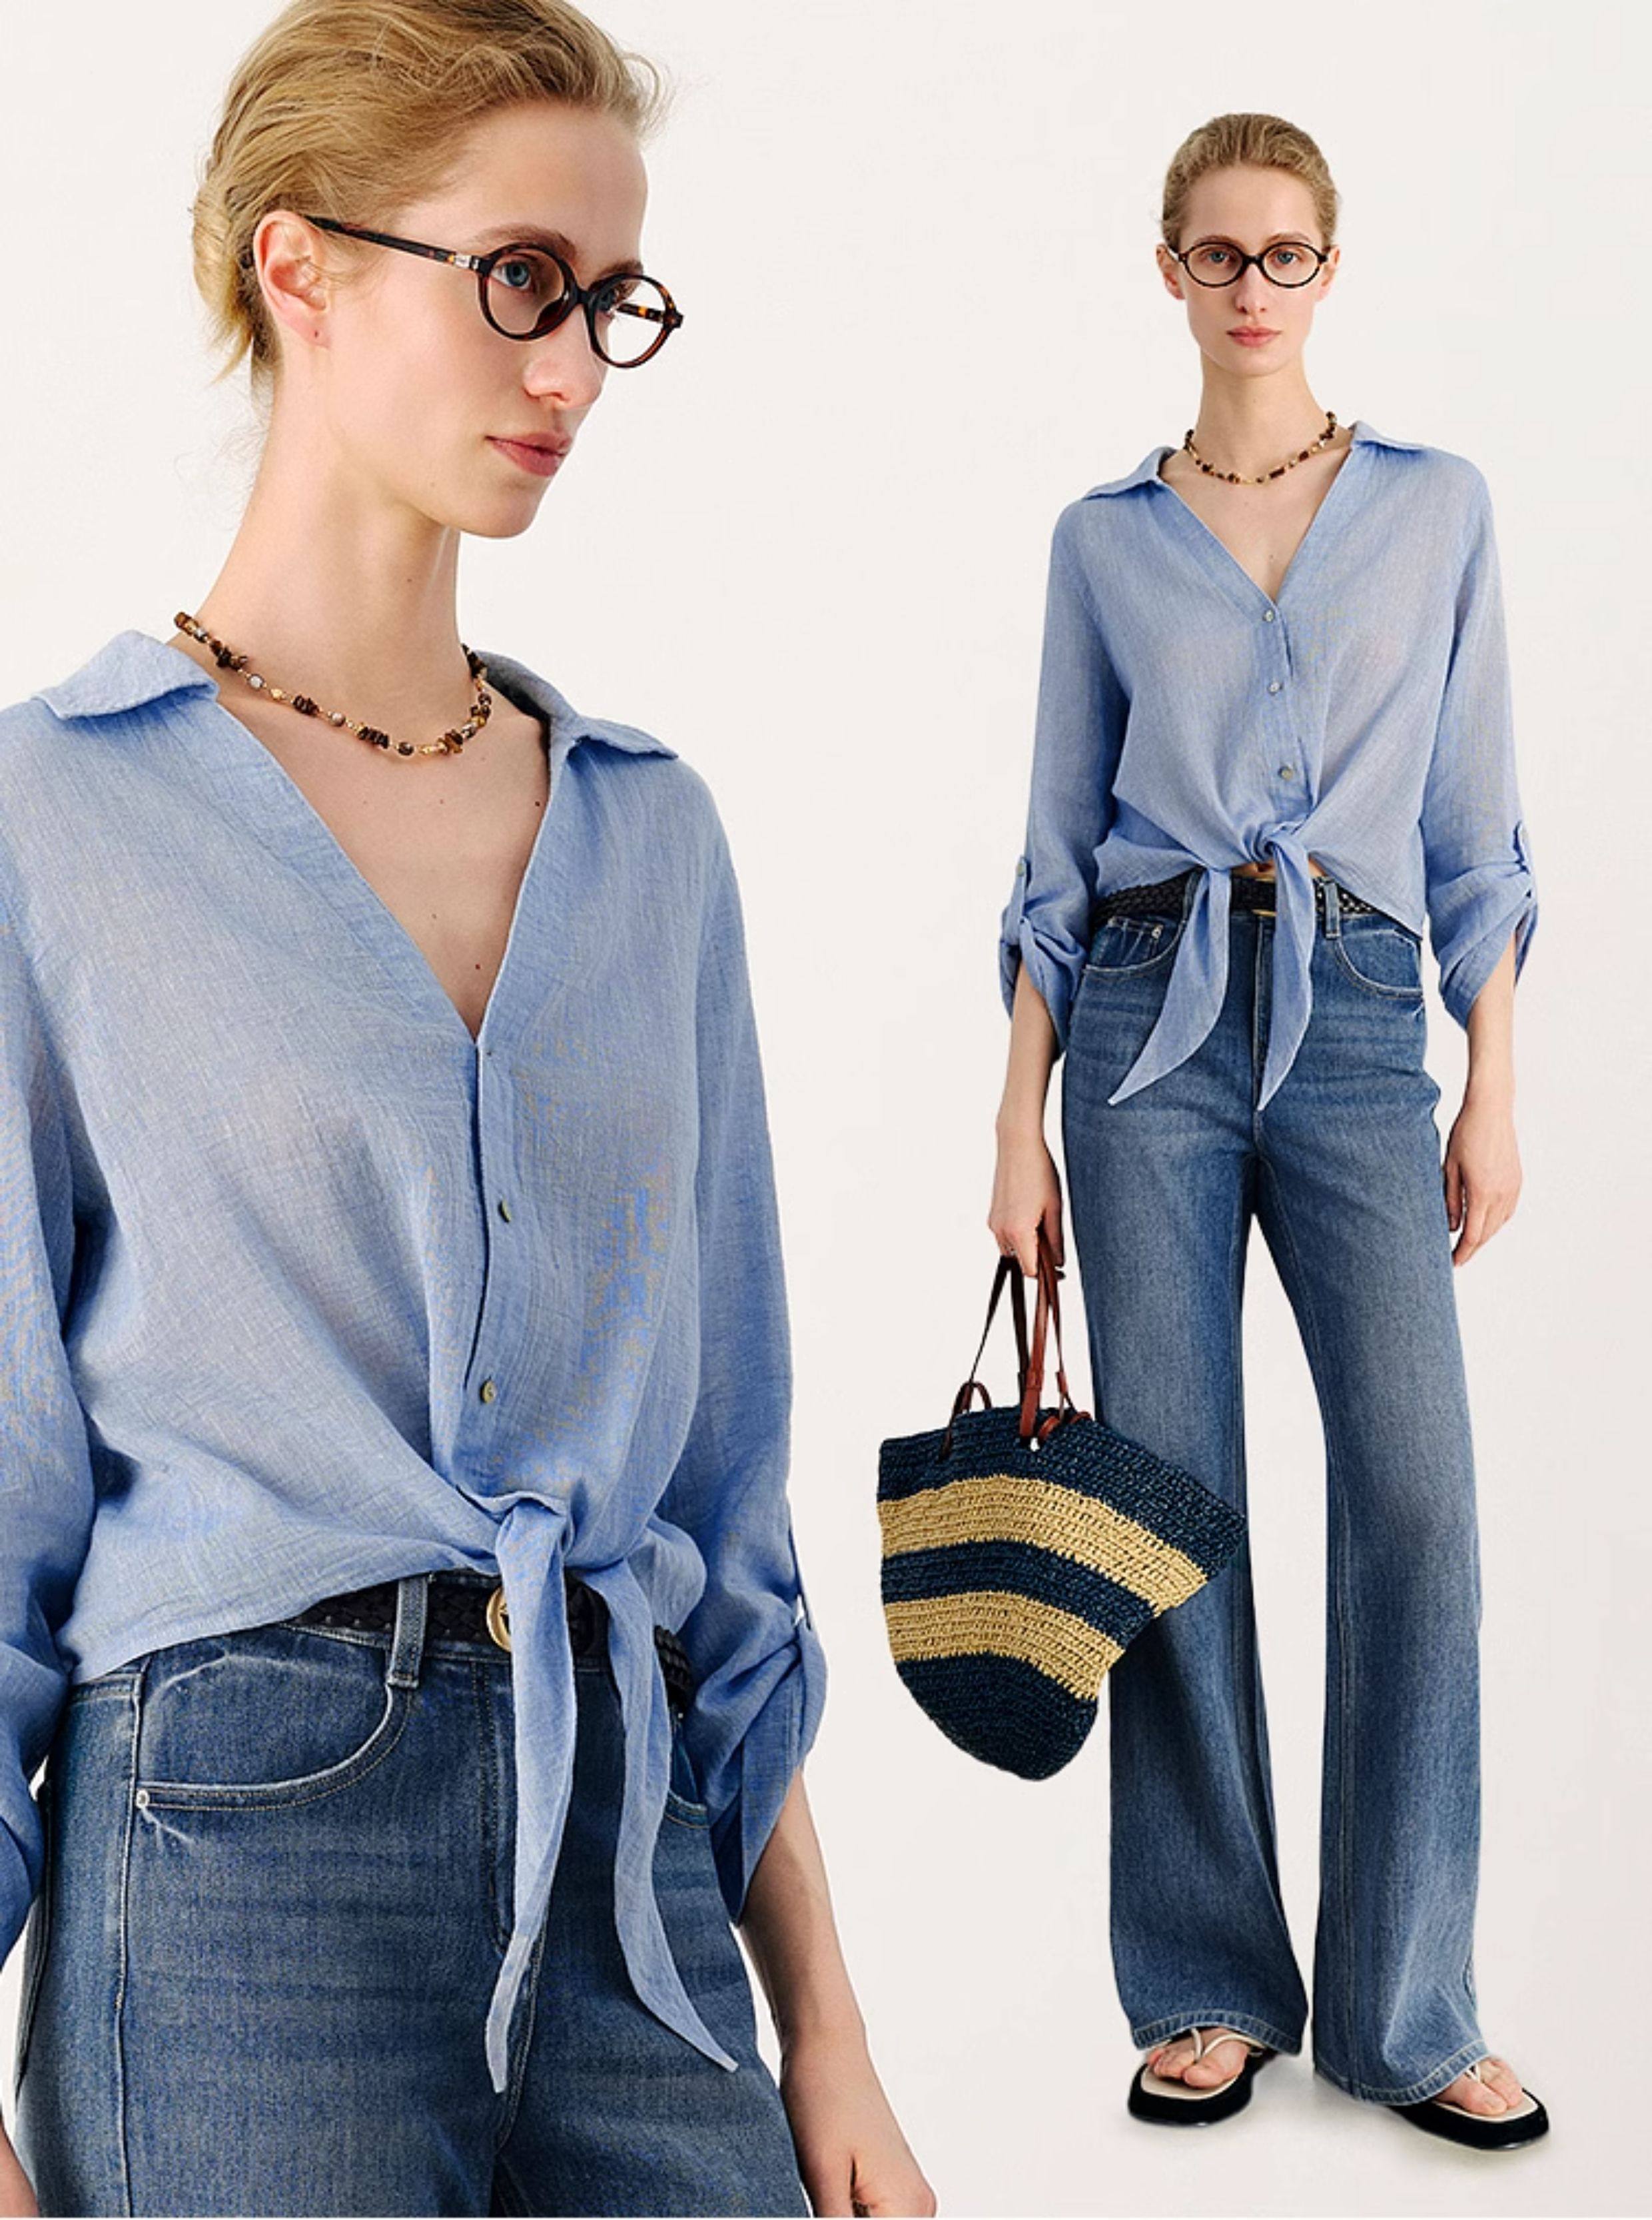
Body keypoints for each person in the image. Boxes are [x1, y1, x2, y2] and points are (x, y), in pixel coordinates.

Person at [0, 3, 934, 2213]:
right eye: (523, 280)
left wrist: (828, 2029)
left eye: (614, 301)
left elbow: (721, 1503)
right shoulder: (57, 818)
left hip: (637, 1862)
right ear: (298, 263)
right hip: (230, 1854)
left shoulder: (650, 837)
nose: (578, 367)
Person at [988, 111, 1548, 2151]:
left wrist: (1496, 1074)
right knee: (1168, 1505)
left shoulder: (1436, 508)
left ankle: (1408, 2003)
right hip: (1144, 1022)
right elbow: (1055, 858)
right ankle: (1210, 1978)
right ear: (1171, 270)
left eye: (1285, 252)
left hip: (1365, 1017)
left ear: (1330, 268)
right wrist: (1016, 1120)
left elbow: (1479, 833)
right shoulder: (1104, 542)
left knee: (1419, 1498)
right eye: (1218, 253)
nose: (1252, 286)